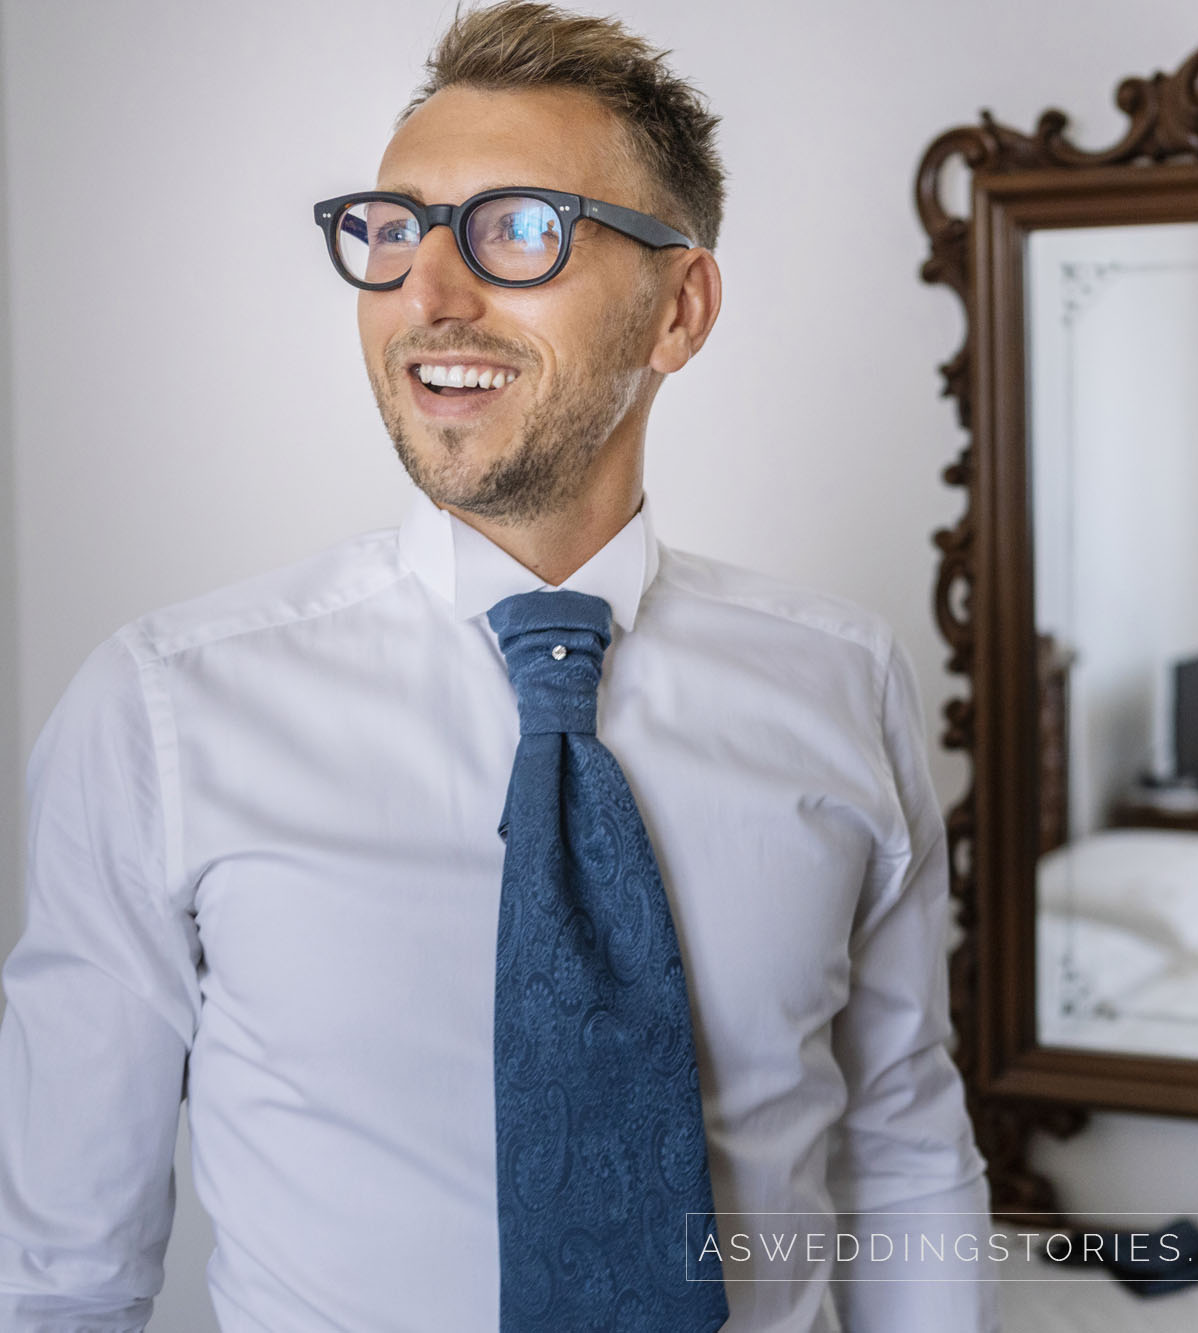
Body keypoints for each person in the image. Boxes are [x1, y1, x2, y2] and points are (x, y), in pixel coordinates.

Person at [0, 5, 994, 1330]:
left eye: (521, 230)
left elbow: (906, 1146)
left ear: (679, 307)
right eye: (395, 230)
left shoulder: (842, 683)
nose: (431, 296)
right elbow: (64, 1268)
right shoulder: (166, 711)